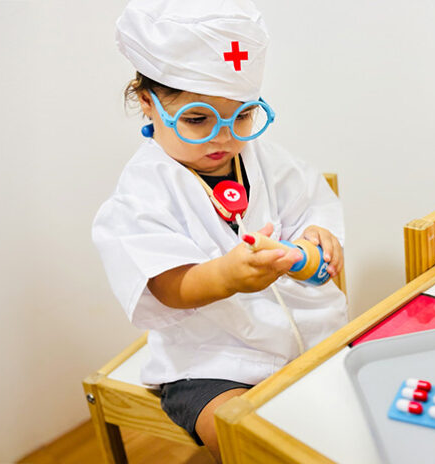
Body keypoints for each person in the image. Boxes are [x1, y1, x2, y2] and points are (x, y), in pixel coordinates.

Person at [92, 0, 348, 460]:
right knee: (241, 434)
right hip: (210, 361)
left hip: (307, 332)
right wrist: (226, 276)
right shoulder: (142, 192)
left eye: (242, 115)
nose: (224, 137)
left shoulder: (265, 159)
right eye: (197, 119)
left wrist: (316, 239)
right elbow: (167, 286)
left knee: (344, 417)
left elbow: (313, 205)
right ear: (148, 103)